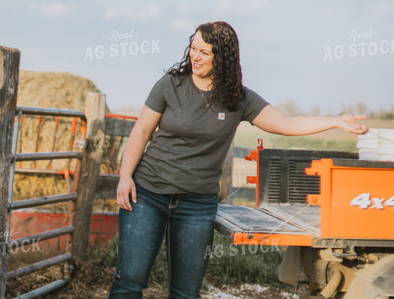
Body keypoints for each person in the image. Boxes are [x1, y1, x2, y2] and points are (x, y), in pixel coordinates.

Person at [108, 21, 367, 299]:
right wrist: (125, 177)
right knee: (129, 282)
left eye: (204, 52)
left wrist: (335, 121)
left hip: (196, 204)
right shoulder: (170, 85)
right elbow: (141, 131)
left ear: (223, 57)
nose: (195, 56)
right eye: (193, 48)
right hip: (148, 194)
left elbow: (286, 123)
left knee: (185, 292)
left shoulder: (238, 99)